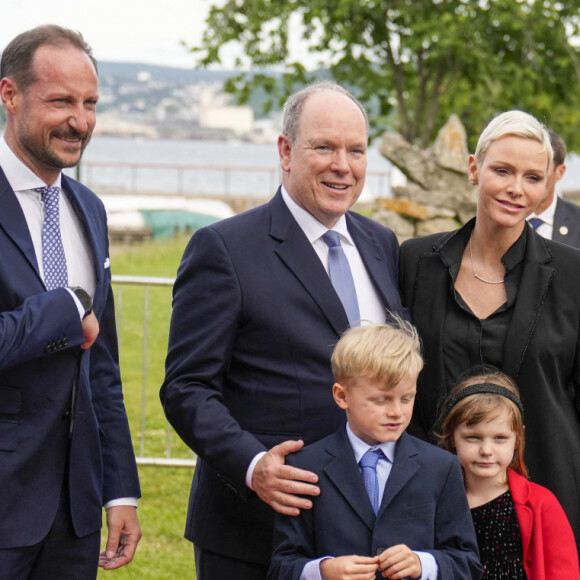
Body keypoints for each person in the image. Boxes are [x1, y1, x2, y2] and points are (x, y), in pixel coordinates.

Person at [161, 81, 406, 579]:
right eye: (324, 147)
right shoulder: (224, 248)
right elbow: (186, 388)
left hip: (365, 535)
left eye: (356, 150)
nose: (343, 164)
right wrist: (254, 467)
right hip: (257, 531)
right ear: (286, 150)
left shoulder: (382, 244)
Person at [399, 110, 580, 550]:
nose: (517, 189)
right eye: (502, 170)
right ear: (474, 169)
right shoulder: (414, 262)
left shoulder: (573, 273)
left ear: (546, 187)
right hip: (429, 507)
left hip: (541, 506)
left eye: (533, 177)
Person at [0, 25, 141, 578]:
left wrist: (120, 489)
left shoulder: (90, 208)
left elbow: (101, 366)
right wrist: (62, 308)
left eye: (89, 104)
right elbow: (67, 318)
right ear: (9, 94)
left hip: (74, 514)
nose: (79, 121)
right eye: (60, 101)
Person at [268, 321, 482, 580]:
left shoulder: (441, 467)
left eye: (406, 398)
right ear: (341, 396)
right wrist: (322, 571)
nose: (396, 412)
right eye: (381, 400)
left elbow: (468, 563)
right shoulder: (304, 466)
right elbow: (281, 566)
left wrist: (423, 564)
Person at [438, 366, 580, 579]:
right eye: (473, 437)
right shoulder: (437, 502)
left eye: (500, 438)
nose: (486, 450)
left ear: (517, 438)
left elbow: (563, 572)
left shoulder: (541, 503)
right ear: (452, 437)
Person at [527, 130, 580, 248]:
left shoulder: (577, 222)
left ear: (560, 172)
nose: (531, 177)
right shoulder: (502, 219)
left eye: (542, 169)